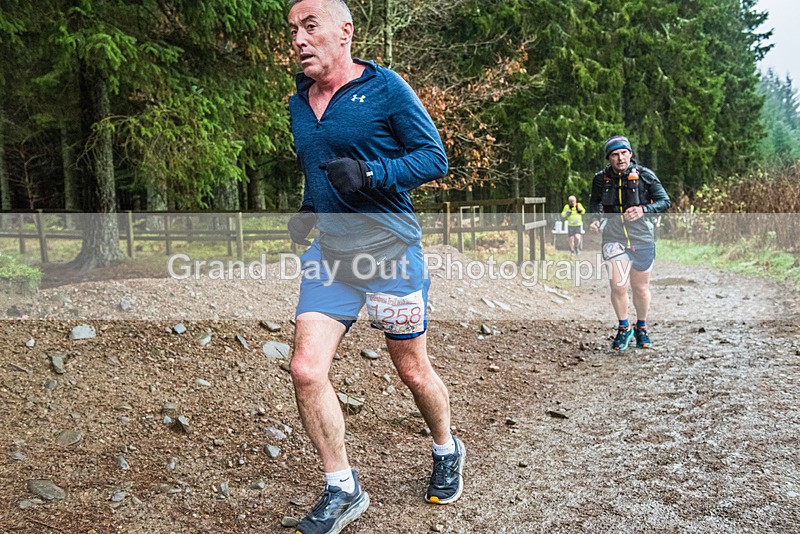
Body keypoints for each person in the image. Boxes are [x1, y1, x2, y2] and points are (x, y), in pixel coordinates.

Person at [285, 1, 465, 532]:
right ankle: (343, 487)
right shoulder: (298, 102)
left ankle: (446, 447)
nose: (298, 39)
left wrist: (369, 173)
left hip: (390, 251)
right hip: (331, 256)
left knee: (411, 368)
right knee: (305, 369)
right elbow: (319, 170)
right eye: (293, 30)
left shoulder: (386, 88)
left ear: (345, 32)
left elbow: (434, 158)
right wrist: (307, 208)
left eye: (309, 27)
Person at [588, 135, 671, 351]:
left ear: (630, 154)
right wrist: (596, 219)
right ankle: (624, 328)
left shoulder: (645, 176)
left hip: (641, 238)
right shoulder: (600, 179)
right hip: (613, 238)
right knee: (618, 284)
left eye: (624, 153)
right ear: (609, 158)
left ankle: (641, 327)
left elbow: (665, 201)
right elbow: (595, 202)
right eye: (615, 155)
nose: (620, 158)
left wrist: (644, 209)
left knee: (640, 288)